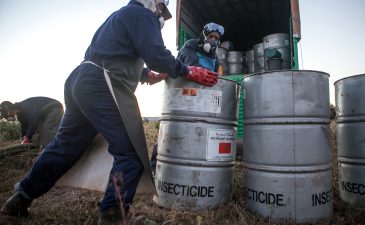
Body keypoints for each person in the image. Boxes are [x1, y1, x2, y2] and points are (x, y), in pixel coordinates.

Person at [0, 0, 218, 224]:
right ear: (155, 3)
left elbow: (113, 51)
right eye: (162, 9)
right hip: (101, 84)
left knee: (65, 146)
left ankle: (20, 198)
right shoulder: (144, 15)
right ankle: (113, 215)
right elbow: (155, 54)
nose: (161, 15)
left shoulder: (121, 15)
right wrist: (188, 70)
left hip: (81, 80)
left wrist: (145, 75)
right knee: (131, 153)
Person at [150, 22, 225, 175]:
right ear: (203, 36)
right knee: (174, 127)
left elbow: (215, 77)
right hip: (182, 92)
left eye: (216, 38)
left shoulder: (215, 58)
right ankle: (154, 167)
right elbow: (192, 65)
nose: (213, 41)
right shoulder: (190, 46)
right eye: (211, 36)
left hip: (201, 96)